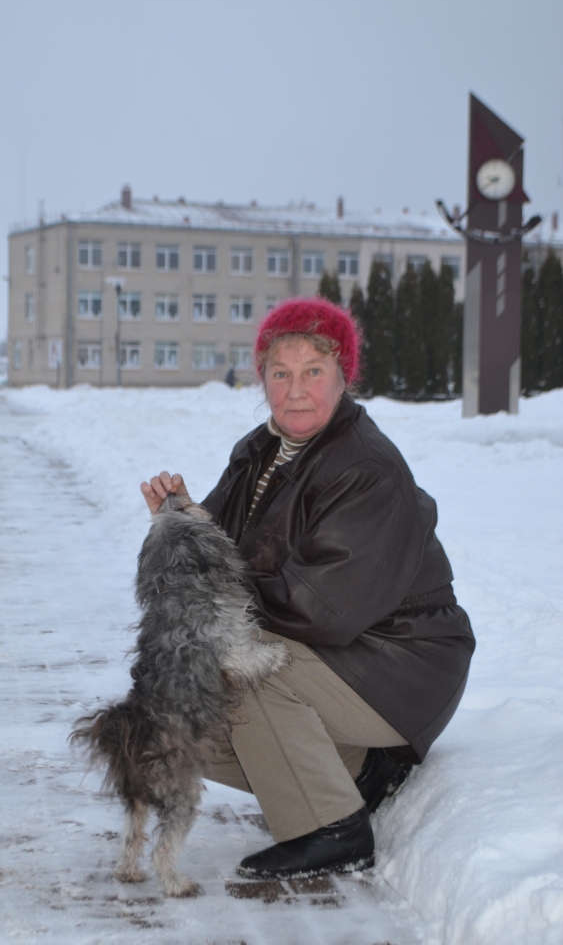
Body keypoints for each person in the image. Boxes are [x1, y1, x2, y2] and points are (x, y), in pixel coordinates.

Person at [140, 297, 475, 879]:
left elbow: (320, 608)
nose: (295, 390)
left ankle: (332, 829)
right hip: (347, 660)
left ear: (344, 376)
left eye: (313, 372)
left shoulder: (364, 467)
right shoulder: (261, 451)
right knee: (187, 708)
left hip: (402, 666)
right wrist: (187, 522)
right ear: (262, 378)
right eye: (280, 373)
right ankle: (356, 771)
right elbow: (226, 549)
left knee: (244, 669)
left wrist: (212, 599)